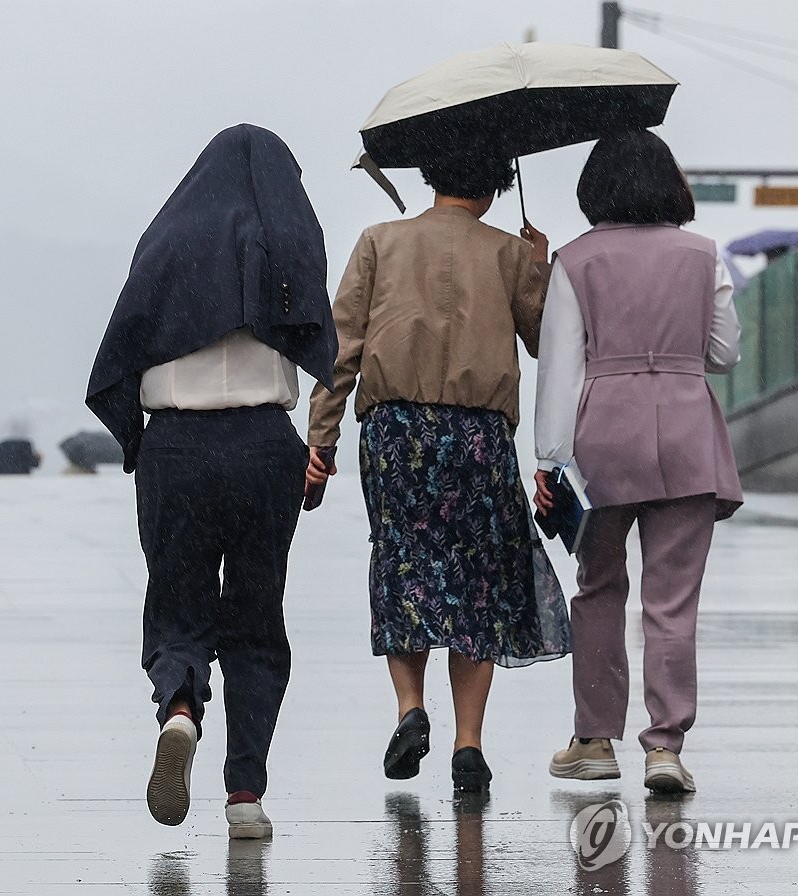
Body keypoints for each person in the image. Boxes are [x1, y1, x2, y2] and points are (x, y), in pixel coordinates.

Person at [86, 124, 336, 838]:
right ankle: (246, 795)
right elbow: (320, 342)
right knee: (257, 617)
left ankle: (180, 709)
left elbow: (125, 345)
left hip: (178, 447)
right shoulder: (288, 243)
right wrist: (310, 452)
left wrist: (142, 444)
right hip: (264, 445)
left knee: (178, 600)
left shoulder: (168, 243)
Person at [306, 151, 553, 795]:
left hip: (396, 432)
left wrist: (321, 441)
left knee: (404, 560)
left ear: (431, 177)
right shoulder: (508, 253)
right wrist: (538, 268)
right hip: (478, 434)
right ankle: (469, 745)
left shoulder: (379, 242)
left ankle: (410, 707)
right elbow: (544, 338)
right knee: (480, 576)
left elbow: (343, 349)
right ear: (497, 191)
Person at [533, 129, 743, 794]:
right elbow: (724, 352)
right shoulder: (702, 255)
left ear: (595, 187)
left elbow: (561, 369)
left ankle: (594, 739)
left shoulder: (575, 260)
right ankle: (665, 747)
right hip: (686, 430)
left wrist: (548, 460)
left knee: (598, 587)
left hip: (604, 437)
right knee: (672, 601)